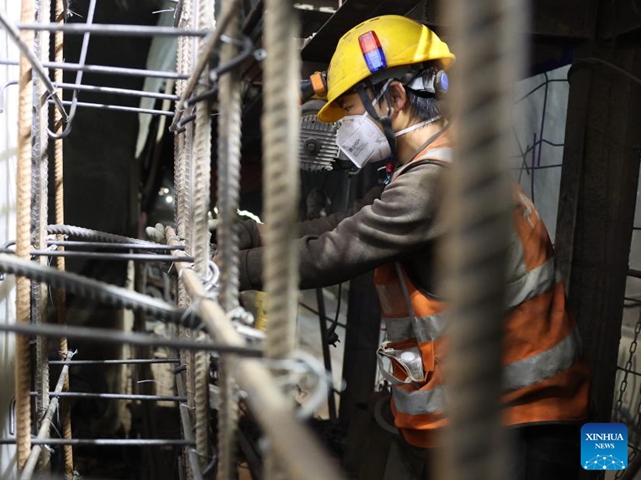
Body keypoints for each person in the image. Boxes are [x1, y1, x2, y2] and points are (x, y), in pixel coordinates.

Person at [235, 15, 590, 480]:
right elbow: (348, 221)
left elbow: (335, 251)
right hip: (532, 408)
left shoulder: (433, 185)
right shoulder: (441, 162)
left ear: (395, 98)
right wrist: (256, 235)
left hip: (529, 423)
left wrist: (234, 268)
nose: (345, 129)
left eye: (350, 111)